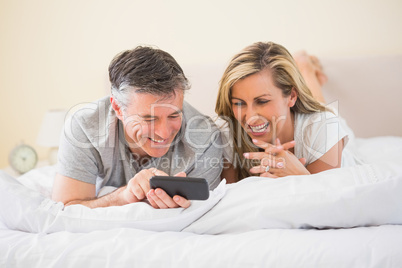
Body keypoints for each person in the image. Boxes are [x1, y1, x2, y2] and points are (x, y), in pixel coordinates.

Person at [52, 46, 223, 208]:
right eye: (149, 119)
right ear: (118, 108)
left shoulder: (206, 138)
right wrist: (124, 196)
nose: (163, 133)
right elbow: (65, 209)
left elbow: (203, 214)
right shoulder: (84, 127)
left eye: (174, 115)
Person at [216, 41, 355, 182]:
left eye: (262, 101)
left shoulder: (324, 128)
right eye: (239, 103)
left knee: (323, 110)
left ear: (292, 96)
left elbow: (327, 197)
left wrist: (300, 176)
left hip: (325, 125)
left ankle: (305, 69)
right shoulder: (227, 133)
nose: (250, 117)